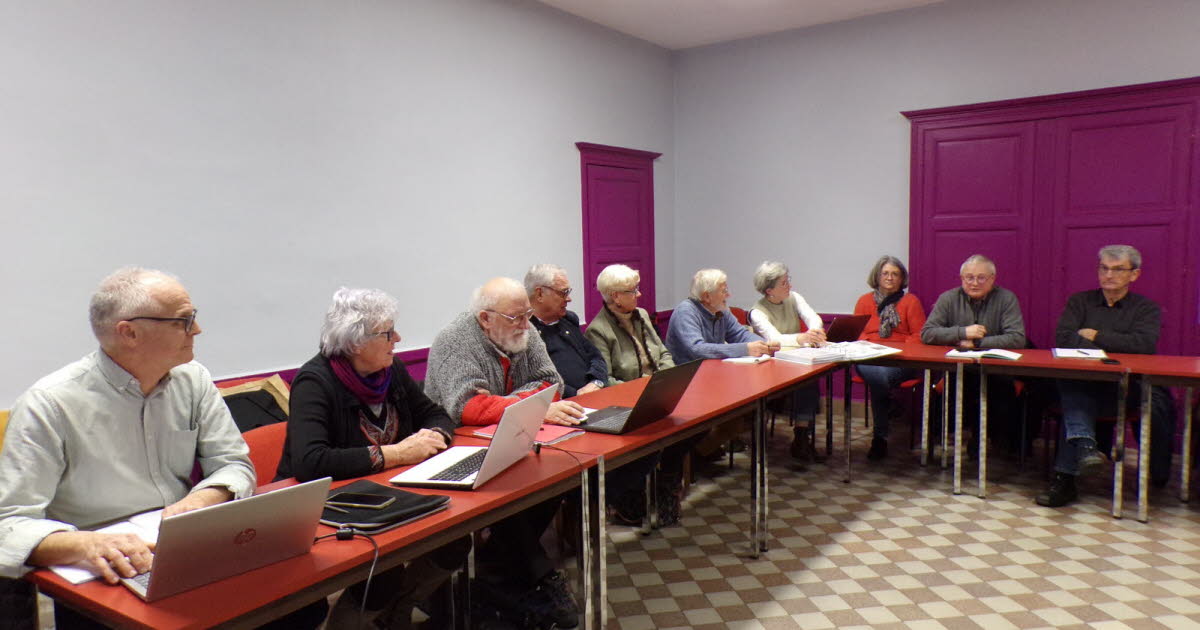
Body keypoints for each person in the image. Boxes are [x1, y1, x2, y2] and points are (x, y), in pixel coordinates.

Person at [0, 268, 284, 628]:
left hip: (184, 550)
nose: (197, 330)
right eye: (184, 320)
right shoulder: (49, 404)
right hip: (104, 575)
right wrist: (85, 546)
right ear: (129, 332)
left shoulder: (193, 380)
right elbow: (9, 523)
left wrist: (201, 500)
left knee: (292, 606)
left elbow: (234, 463)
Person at [277, 287, 469, 629]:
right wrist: (395, 454)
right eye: (387, 332)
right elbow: (310, 462)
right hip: (326, 507)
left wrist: (435, 435)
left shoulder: (389, 370)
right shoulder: (315, 381)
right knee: (382, 576)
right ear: (355, 343)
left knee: (454, 543)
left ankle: (397, 612)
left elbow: (435, 413)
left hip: (387, 493)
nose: (398, 338)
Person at [423, 277, 582, 628]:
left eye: (527, 314)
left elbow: (551, 382)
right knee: (512, 498)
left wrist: (510, 404)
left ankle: (498, 578)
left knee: (553, 481)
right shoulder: (456, 341)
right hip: (457, 446)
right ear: (485, 318)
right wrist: (531, 404)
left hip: (510, 437)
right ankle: (534, 577)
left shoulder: (523, 330)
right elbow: (468, 406)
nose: (526, 324)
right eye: (516, 318)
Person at [1036, 245, 1176, 507]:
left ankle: (1066, 475)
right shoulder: (1080, 302)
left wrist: (1096, 335)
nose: (1108, 275)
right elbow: (1064, 338)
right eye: (1104, 268)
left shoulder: (1146, 309)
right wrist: (1114, 344)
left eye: (1117, 269)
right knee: (1072, 386)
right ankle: (1084, 451)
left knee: (1073, 398)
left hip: (1122, 391)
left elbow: (1143, 345)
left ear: (1134, 274)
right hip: (1082, 385)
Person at [584, 264, 689, 525]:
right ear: (615, 296)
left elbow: (663, 353)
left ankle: (666, 487)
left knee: (690, 429)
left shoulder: (640, 315)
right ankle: (631, 497)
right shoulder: (598, 330)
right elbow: (606, 379)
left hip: (658, 393)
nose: (639, 295)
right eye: (633, 290)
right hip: (629, 403)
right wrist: (644, 386)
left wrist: (667, 379)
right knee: (655, 438)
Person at [920, 254, 1025, 453]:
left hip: (996, 371)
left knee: (1002, 399)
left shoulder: (1006, 298)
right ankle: (936, 447)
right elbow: (927, 333)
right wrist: (962, 332)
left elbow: (1017, 337)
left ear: (992, 279)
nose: (974, 283)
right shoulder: (948, 298)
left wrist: (977, 342)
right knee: (946, 398)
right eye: (969, 278)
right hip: (960, 370)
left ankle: (989, 443)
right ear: (962, 279)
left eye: (981, 278)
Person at [747, 261, 825, 465]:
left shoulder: (794, 297)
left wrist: (814, 331)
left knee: (809, 379)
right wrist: (800, 338)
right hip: (772, 365)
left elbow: (813, 317)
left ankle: (801, 436)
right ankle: (800, 437)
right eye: (784, 283)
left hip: (797, 360)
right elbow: (774, 339)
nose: (789, 285)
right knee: (802, 380)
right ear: (769, 290)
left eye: (787, 280)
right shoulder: (757, 312)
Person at [852, 256, 927, 460]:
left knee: (879, 381)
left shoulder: (910, 301)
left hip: (901, 361)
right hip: (869, 358)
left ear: (902, 278)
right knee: (877, 376)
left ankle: (879, 439)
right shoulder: (864, 301)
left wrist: (898, 351)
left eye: (895, 274)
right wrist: (872, 345)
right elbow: (858, 333)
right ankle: (886, 414)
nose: (890, 278)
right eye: (885, 273)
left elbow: (919, 335)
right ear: (877, 276)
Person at [525, 264, 608, 397]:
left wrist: (597, 382)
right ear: (540, 294)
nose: (569, 299)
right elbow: (537, 379)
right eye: (563, 293)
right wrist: (576, 394)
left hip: (594, 394)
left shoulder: (569, 320)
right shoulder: (524, 332)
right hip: (563, 404)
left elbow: (596, 356)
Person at [665, 268, 774, 362]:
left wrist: (764, 345)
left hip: (713, 370)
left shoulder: (720, 309)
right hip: (687, 376)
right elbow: (697, 349)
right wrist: (745, 349)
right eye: (724, 291)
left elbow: (739, 334)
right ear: (707, 296)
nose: (728, 295)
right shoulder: (685, 311)